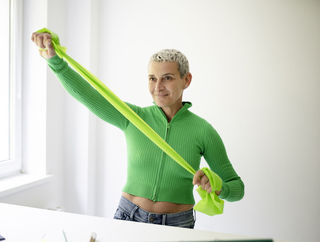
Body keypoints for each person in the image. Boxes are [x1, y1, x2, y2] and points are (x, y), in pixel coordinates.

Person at [31, 32, 244, 229]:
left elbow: (237, 188)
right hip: (128, 216)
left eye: (167, 78)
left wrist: (217, 187)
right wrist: (55, 61)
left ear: (186, 80)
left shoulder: (203, 130)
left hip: (177, 223)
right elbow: (88, 94)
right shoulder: (134, 117)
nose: (158, 86)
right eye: (152, 78)